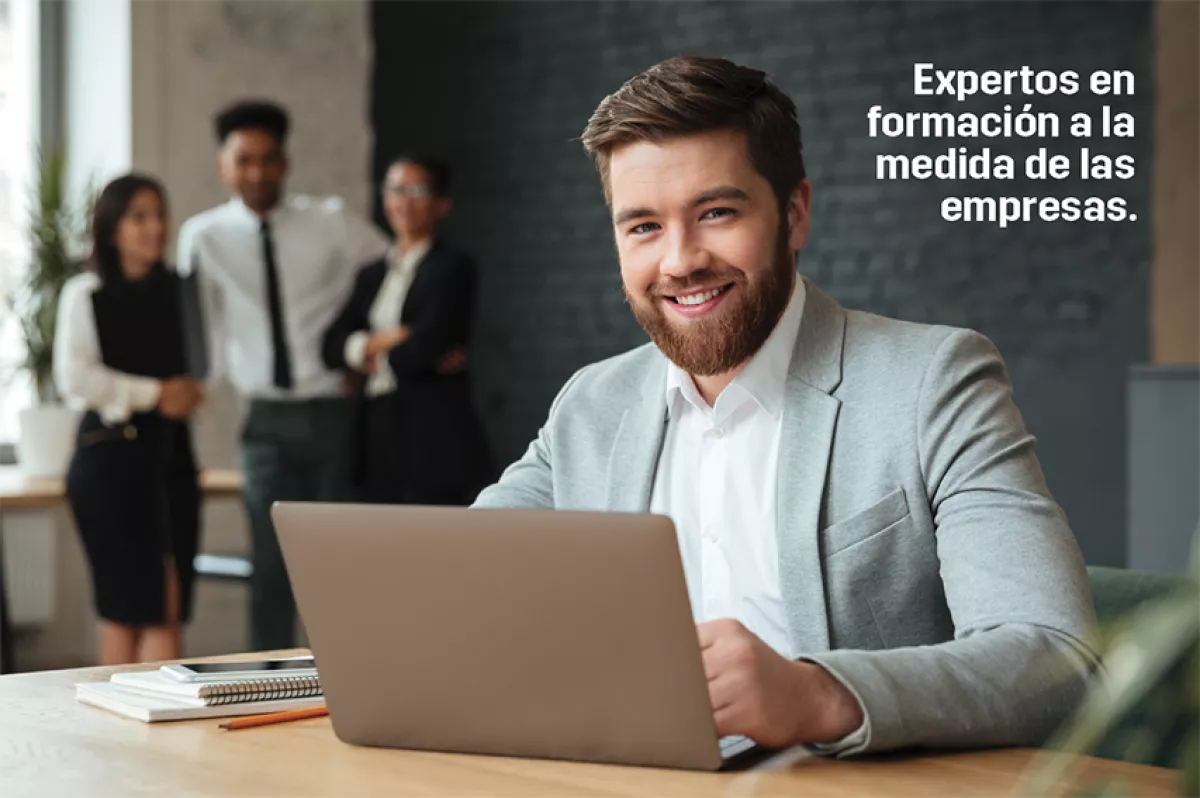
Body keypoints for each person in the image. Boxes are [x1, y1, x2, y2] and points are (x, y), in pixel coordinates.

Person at [472, 56, 1101, 756]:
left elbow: (1057, 661)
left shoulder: (933, 382)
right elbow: (455, 581)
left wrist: (815, 695)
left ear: (793, 214)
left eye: (715, 212)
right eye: (643, 226)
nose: (680, 260)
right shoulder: (591, 405)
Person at [176, 100, 391, 651]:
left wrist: (360, 346)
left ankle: (350, 683)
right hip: (263, 420)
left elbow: (390, 269)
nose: (256, 173)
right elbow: (197, 324)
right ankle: (266, 687)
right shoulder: (203, 237)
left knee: (336, 564)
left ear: (286, 163)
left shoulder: (330, 221)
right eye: (244, 160)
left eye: (268, 160)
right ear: (223, 166)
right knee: (269, 570)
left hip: (331, 413)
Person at [55, 174, 204, 665]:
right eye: (139, 216)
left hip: (171, 459)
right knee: (124, 606)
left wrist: (188, 393)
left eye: (159, 214)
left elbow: (202, 369)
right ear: (112, 227)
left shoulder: (180, 291)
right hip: (110, 460)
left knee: (168, 604)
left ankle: (158, 734)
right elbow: (75, 377)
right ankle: (112, 734)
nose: (155, 227)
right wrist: (154, 393)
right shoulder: (87, 292)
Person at [322, 156, 493, 505]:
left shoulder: (453, 269)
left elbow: (424, 348)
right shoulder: (371, 274)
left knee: (431, 543)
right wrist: (386, 341)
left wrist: (364, 357)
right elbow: (328, 347)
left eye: (417, 190)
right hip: (374, 431)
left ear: (441, 204)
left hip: (432, 434)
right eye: (395, 189)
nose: (403, 200)